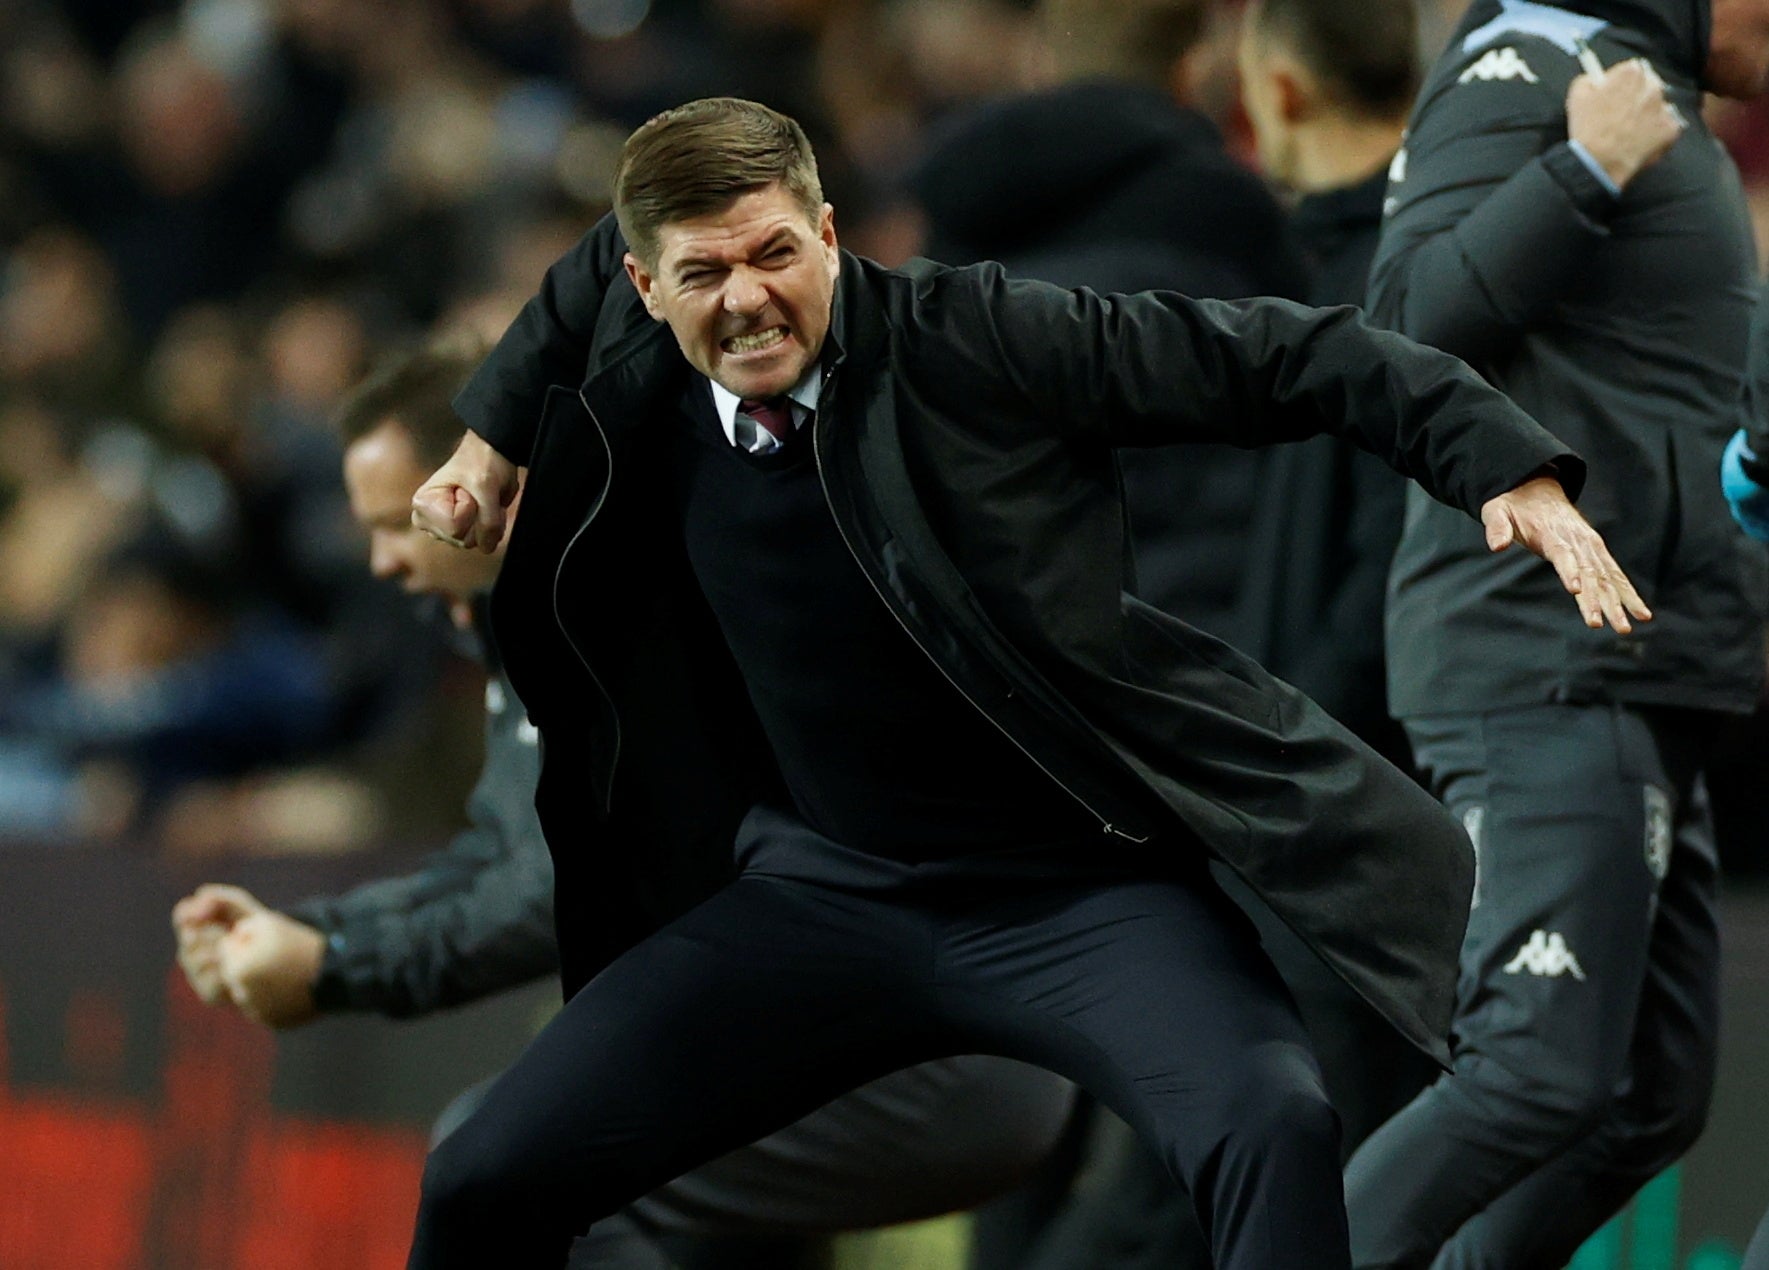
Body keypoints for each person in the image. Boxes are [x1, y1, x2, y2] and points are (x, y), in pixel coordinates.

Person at [407, 97, 1646, 1270]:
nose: (747, 299)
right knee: (480, 1170)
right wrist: (486, 438)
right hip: (817, 892)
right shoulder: (633, 359)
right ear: (646, 289)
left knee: (1272, 1120)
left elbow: (1288, 356)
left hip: (1075, 892)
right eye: (702, 275)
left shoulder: (987, 336)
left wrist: (1500, 465)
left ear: (830, 233)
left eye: (775, 253)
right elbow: (571, 282)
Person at [169, 335, 1079, 1270]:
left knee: (522, 1164)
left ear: (492, 485)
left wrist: (333, 964)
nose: (381, 563)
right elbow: (501, 855)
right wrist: (321, 935)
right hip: (865, 1033)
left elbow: (547, 895)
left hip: (933, 1050)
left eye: (395, 523)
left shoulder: (618, 609)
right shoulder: (548, 617)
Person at [1343, 2, 1769, 1266]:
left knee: (1645, 1097)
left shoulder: (1656, 97)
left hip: (1646, 667)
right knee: (1533, 1074)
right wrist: (1577, 171)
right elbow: (1399, 322)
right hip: (1542, 652)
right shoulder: (1523, 58)